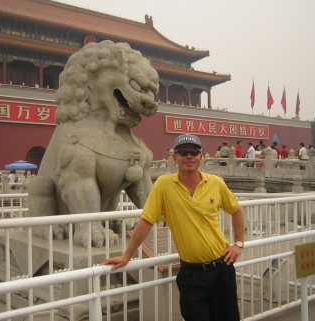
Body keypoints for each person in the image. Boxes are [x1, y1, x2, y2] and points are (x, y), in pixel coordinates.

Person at [103, 134, 245, 321]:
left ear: (201, 156)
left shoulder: (215, 183)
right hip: (191, 273)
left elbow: (236, 210)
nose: (189, 156)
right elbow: (147, 221)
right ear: (175, 157)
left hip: (222, 269)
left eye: (194, 152)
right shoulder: (164, 185)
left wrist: (238, 244)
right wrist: (127, 255)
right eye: (183, 152)